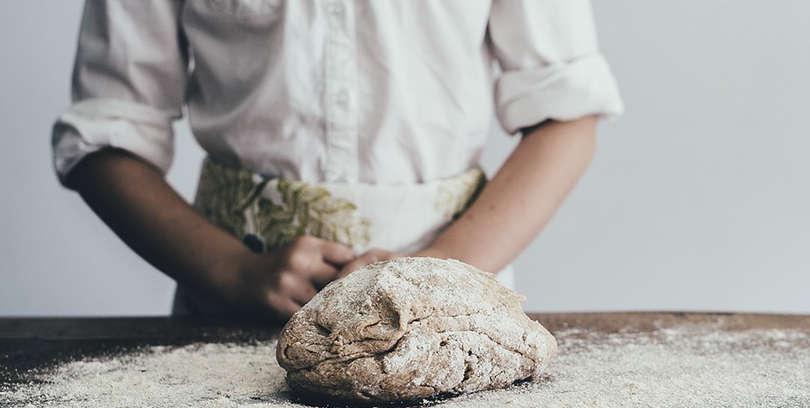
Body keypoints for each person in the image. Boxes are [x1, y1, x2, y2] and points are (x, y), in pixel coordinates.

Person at [53, 0, 623, 322]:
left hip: (452, 308)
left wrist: (437, 272)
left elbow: (566, 117)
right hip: (233, 308)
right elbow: (105, 135)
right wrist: (232, 271)